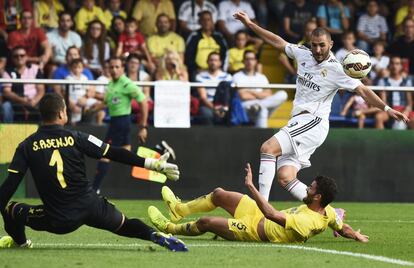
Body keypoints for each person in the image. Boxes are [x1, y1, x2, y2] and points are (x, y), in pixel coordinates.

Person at [232, 11, 408, 204]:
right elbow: (276, 41)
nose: (317, 50)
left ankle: (261, 210)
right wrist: (250, 24)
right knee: (285, 177)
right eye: (314, 45)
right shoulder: (302, 53)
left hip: (313, 122)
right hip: (299, 121)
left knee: (267, 148)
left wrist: (387, 108)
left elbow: (363, 91)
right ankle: (329, 214)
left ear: (331, 44)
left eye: (322, 45)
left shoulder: (338, 69)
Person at [0, 93, 187, 251]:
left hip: (59, 218)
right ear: (61, 113)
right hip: (92, 206)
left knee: (11, 209)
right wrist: (152, 164)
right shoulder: (77, 137)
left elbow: (9, 186)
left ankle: (21, 243)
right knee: (125, 224)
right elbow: (114, 152)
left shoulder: (26, 146)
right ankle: (154, 235)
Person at [148, 164, 369, 244]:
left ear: (318, 197)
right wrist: (354, 235)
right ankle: (179, 210)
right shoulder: (327, 211)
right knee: (219, 194)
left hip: (255, 230)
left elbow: (273, 215)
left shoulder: (308, 221)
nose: (307, 189)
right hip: (257, 214)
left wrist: (251, 187)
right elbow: (341, 225)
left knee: (206, 222)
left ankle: (169, 228)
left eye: (311, 188)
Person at [92, 57, 150, 193]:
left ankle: (94, 189)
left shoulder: (127, 84)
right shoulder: (111, 84)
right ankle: (160, 149)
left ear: (123, 68)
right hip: (115, 121)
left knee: (105, 154)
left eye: (117, 67)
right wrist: (93, 109)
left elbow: (143, 102)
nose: (114, 70)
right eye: (111, 67)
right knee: (127, 155)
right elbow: (107, 102)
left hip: (122, 122)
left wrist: (143, 127)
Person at [233, 50, 287, 128]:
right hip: (246, 107)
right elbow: (243, 96)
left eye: (252, 59)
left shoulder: (261, 77)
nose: (249, 61)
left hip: (261, 104)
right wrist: (261, 95)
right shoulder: (237, 76)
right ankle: (263, 138)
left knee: (283, 94)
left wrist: (250, 91)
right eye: (247, 59)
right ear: (243, 61)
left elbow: (269, 94)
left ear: (255, 61)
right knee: (263, 109)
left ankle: (260, 106)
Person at [1, 46, 45, 123]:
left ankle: (43, 133)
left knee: (46, 105)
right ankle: (6, 132)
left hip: (34, 102)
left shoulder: (35, 69)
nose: (19, 58)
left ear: (26, 57)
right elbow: (6, 92)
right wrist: (23, 100)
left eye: (22, 55)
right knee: (6, 106)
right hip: (15, 103)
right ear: (12, 59)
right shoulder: (7, 72)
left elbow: (41, 90)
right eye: (16, 56)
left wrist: (34, 101)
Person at [185, 10, 228, 81]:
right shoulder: (194, 36)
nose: (206, 22)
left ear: (212, 21)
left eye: (208, 19)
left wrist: (221, 68)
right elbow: (188, 56)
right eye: (203, 20)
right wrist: (196, 69)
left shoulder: (219, 37)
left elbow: (225, 54)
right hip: (198, 72)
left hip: (217, 71)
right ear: (199, 22)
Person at [375, 56, 414, 130]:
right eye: (392, 63)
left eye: (397, 64)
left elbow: (409, 103)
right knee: (378, 117)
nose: (394, 66)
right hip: (389, 109)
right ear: (389, 65)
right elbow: (384, 102)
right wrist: (390, 110)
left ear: (401, 66)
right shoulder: (383, 81)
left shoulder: (406, 81)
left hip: (404, 109)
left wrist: (405, 112)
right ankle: (381, 141)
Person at [196, 51, 232, 125]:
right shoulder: (200, 76)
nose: (213, 62)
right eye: (211, 60)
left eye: (215, 60)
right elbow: (203, 97)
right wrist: (215, 108)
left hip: (224, 105)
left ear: (220, 63)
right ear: (207, 62)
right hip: (208, 105)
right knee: (207, 114)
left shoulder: (227, 76)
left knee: (231, 114)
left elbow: (229, 95)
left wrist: (222, 109)